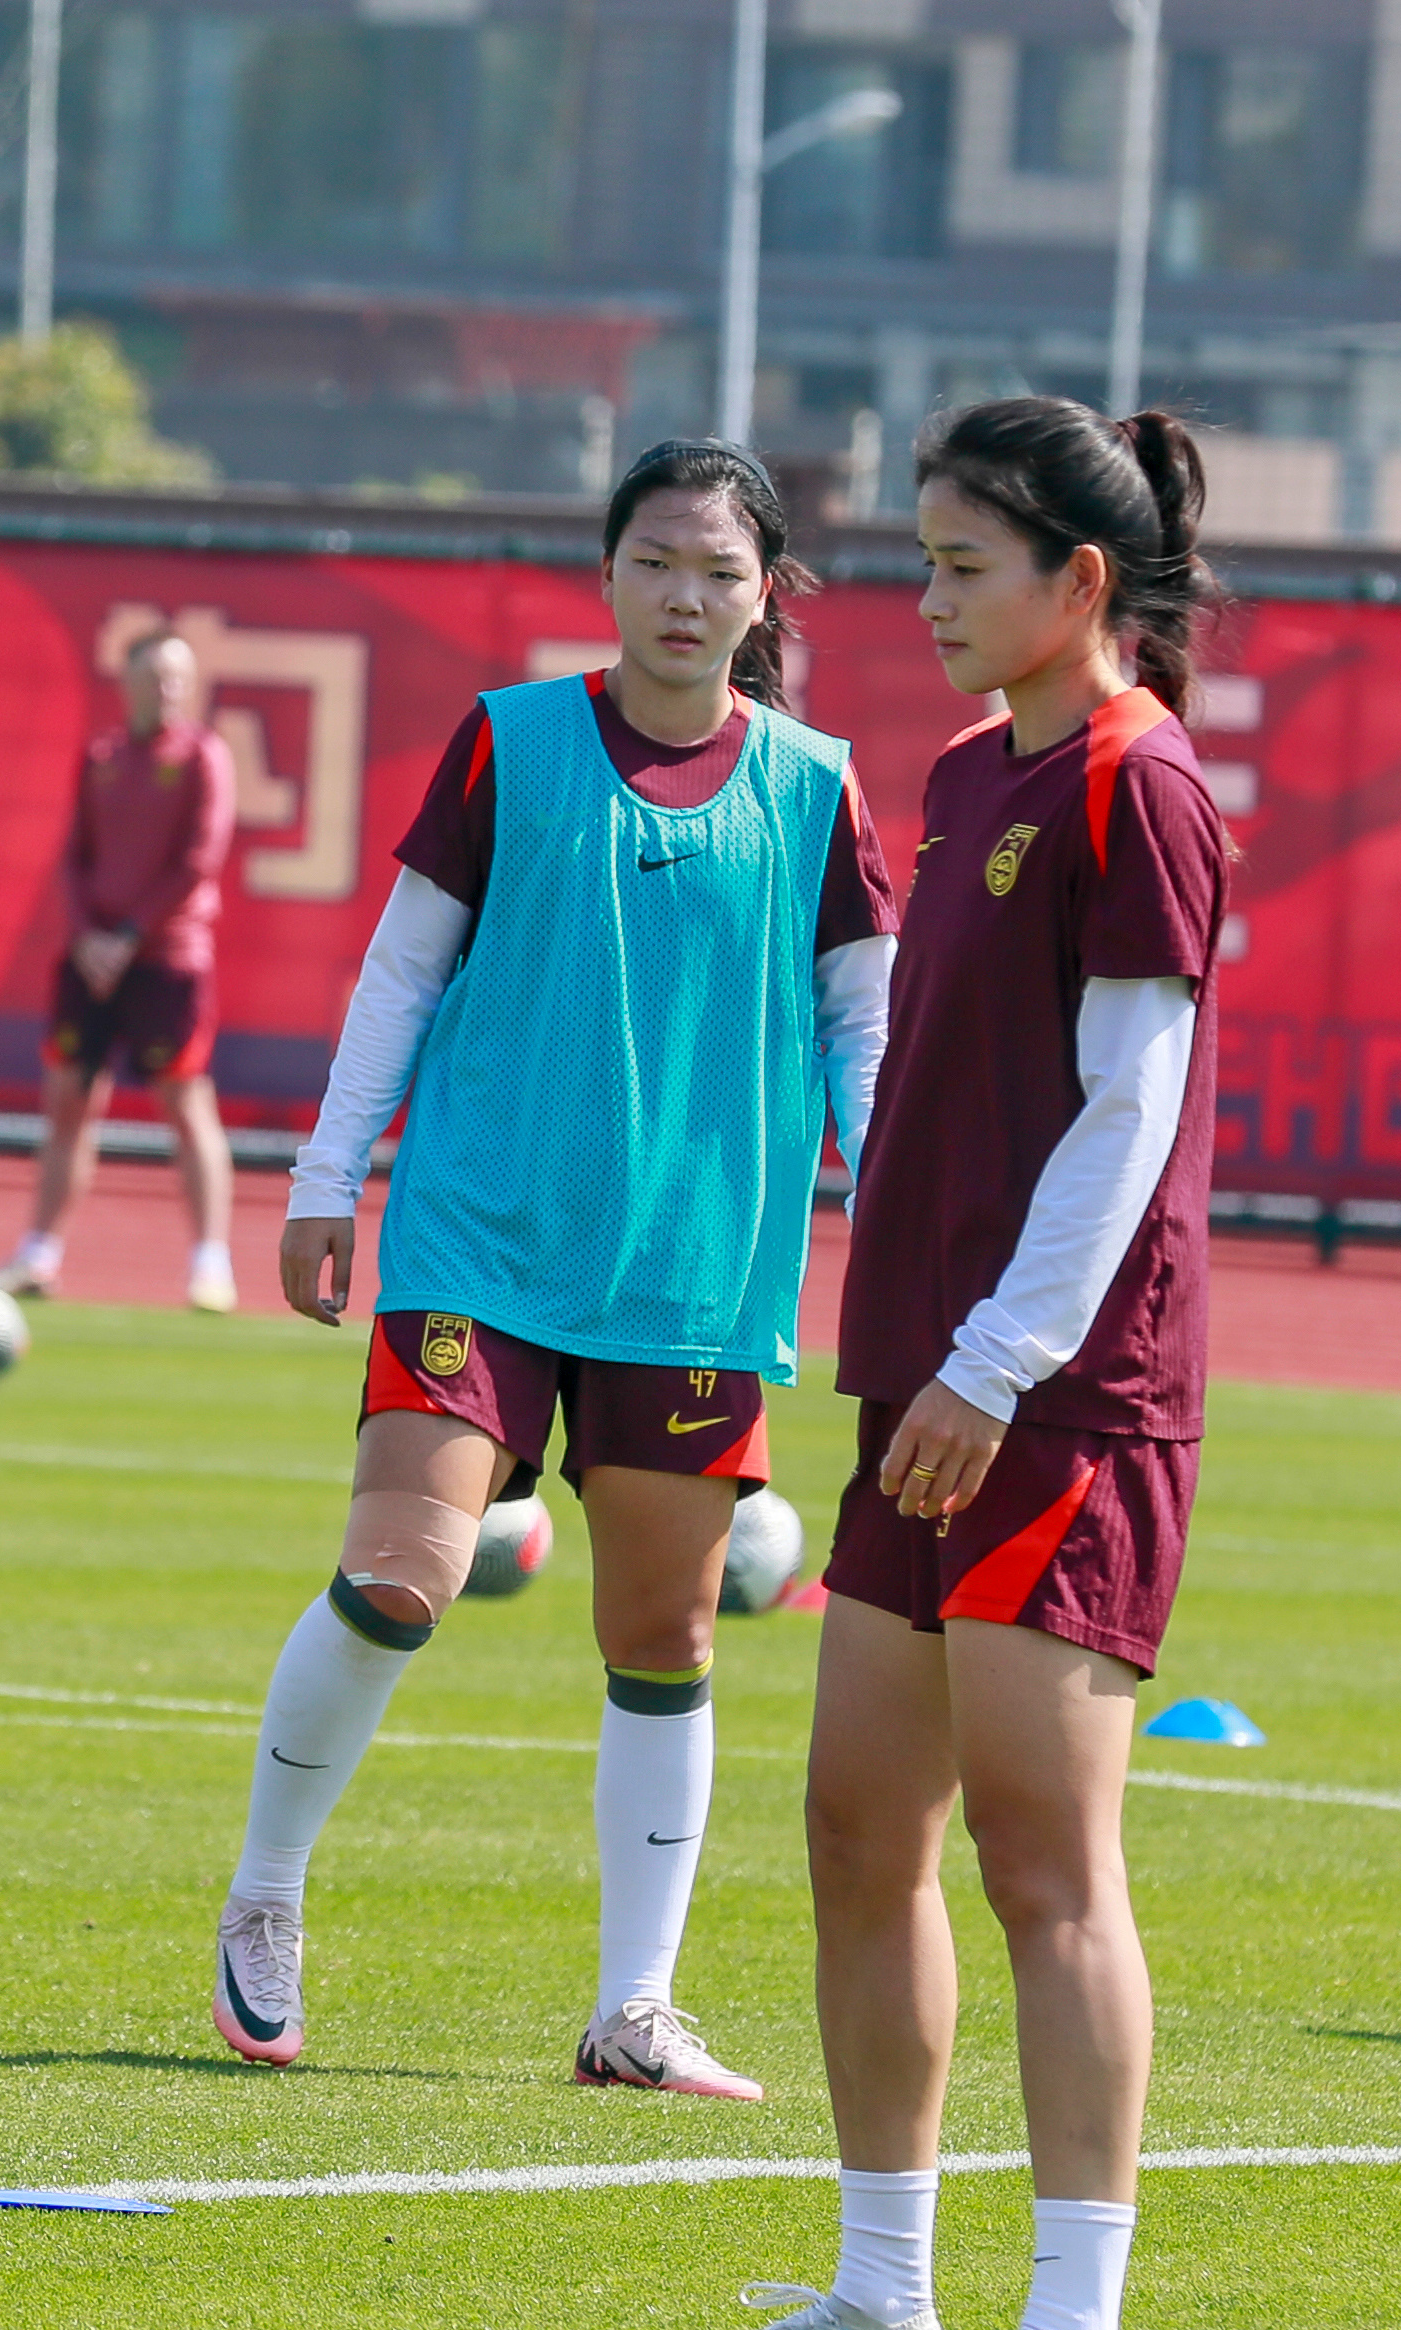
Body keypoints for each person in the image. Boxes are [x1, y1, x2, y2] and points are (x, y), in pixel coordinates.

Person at [648, 400, 1225, 2330]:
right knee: (854, 1830)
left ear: (1083, 582)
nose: (927, 600)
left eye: (965, 565)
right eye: (922, 557)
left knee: (1045, 1867)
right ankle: (883, 2297)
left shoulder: (1140, 787)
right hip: (931, 1390)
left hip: (1058, 1406)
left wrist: (995, 1367)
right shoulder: (979, 766)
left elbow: (1128, 1118)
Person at [215, 441, 896, 2099]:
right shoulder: (508, 743)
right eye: (655, 560)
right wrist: (324, 1179)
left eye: (718, 571)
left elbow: (863, 1029)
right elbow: (398, 976)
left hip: (690, 1274)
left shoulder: (817, 788)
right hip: (479, 1240)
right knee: (400, 1570)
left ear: (762, 598)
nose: (683, 596)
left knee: (663, 1634)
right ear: (606, 573)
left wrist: (906, 1226)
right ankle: (265, 1889)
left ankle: (634, 2007)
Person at [0, 630, 241, 1314]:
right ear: (126, 683)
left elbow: (198, 861)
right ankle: (40, 1251)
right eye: (153, 677)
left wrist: (127, 938)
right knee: (68, 1101)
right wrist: (90, 939)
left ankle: (210, 1261)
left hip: (168, 961)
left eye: (177, 678)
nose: (167, 690)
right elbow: (74, 857)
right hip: (91, 961)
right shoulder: (101, 756)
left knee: (186, 1104)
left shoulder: (204, 757)